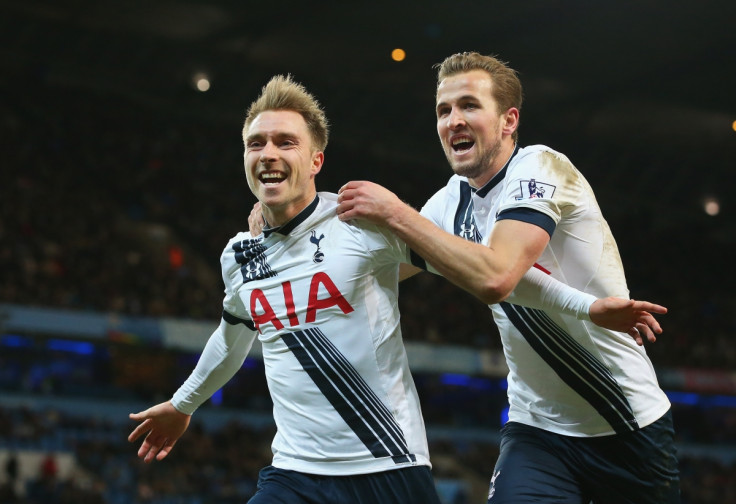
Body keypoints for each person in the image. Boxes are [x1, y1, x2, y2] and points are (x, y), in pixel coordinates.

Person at [129, 74, 668, 504]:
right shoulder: (240, 256)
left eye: (285, 142)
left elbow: (493, 276)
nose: (268, 153)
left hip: (392, 466)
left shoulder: (379, 225)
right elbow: (233, 333)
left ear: (315, 159)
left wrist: (588, 306)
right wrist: (185, 403)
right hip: (304, 468)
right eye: (257, 143)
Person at [336, 52, 680, 503]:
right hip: (536, 431)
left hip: (627, 425)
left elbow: (498, 274)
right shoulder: (448, 203)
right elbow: (378, 265)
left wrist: (397, 213)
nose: (453, 120)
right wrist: (288, 218)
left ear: (508, 120)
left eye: (469, 106)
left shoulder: (542, 168)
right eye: (444, 111)